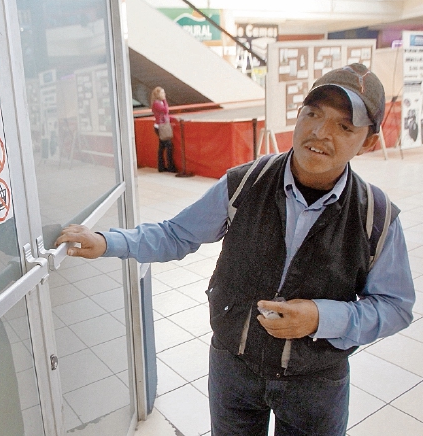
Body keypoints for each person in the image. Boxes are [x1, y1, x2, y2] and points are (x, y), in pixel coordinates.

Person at [56, 64, 415, 435]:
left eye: (344, 126)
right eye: (313, 114)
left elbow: (395, 307)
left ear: (368, 141)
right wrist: (108, 242)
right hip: (234, 365)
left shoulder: (376, 214)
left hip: (317, 381)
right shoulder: (246, 183)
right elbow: (177, 234)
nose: (320, 132)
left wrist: (321, 318)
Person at [151, 86, 177, 173]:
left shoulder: (157, 103)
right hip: (162, 127)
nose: (164, 94)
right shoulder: (157, 103)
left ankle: (161, 166)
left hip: (160, 127)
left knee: (162, 147)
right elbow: (166, 110)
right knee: (169, 146)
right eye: (163, 93)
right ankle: (170, 166)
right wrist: (165, 100)